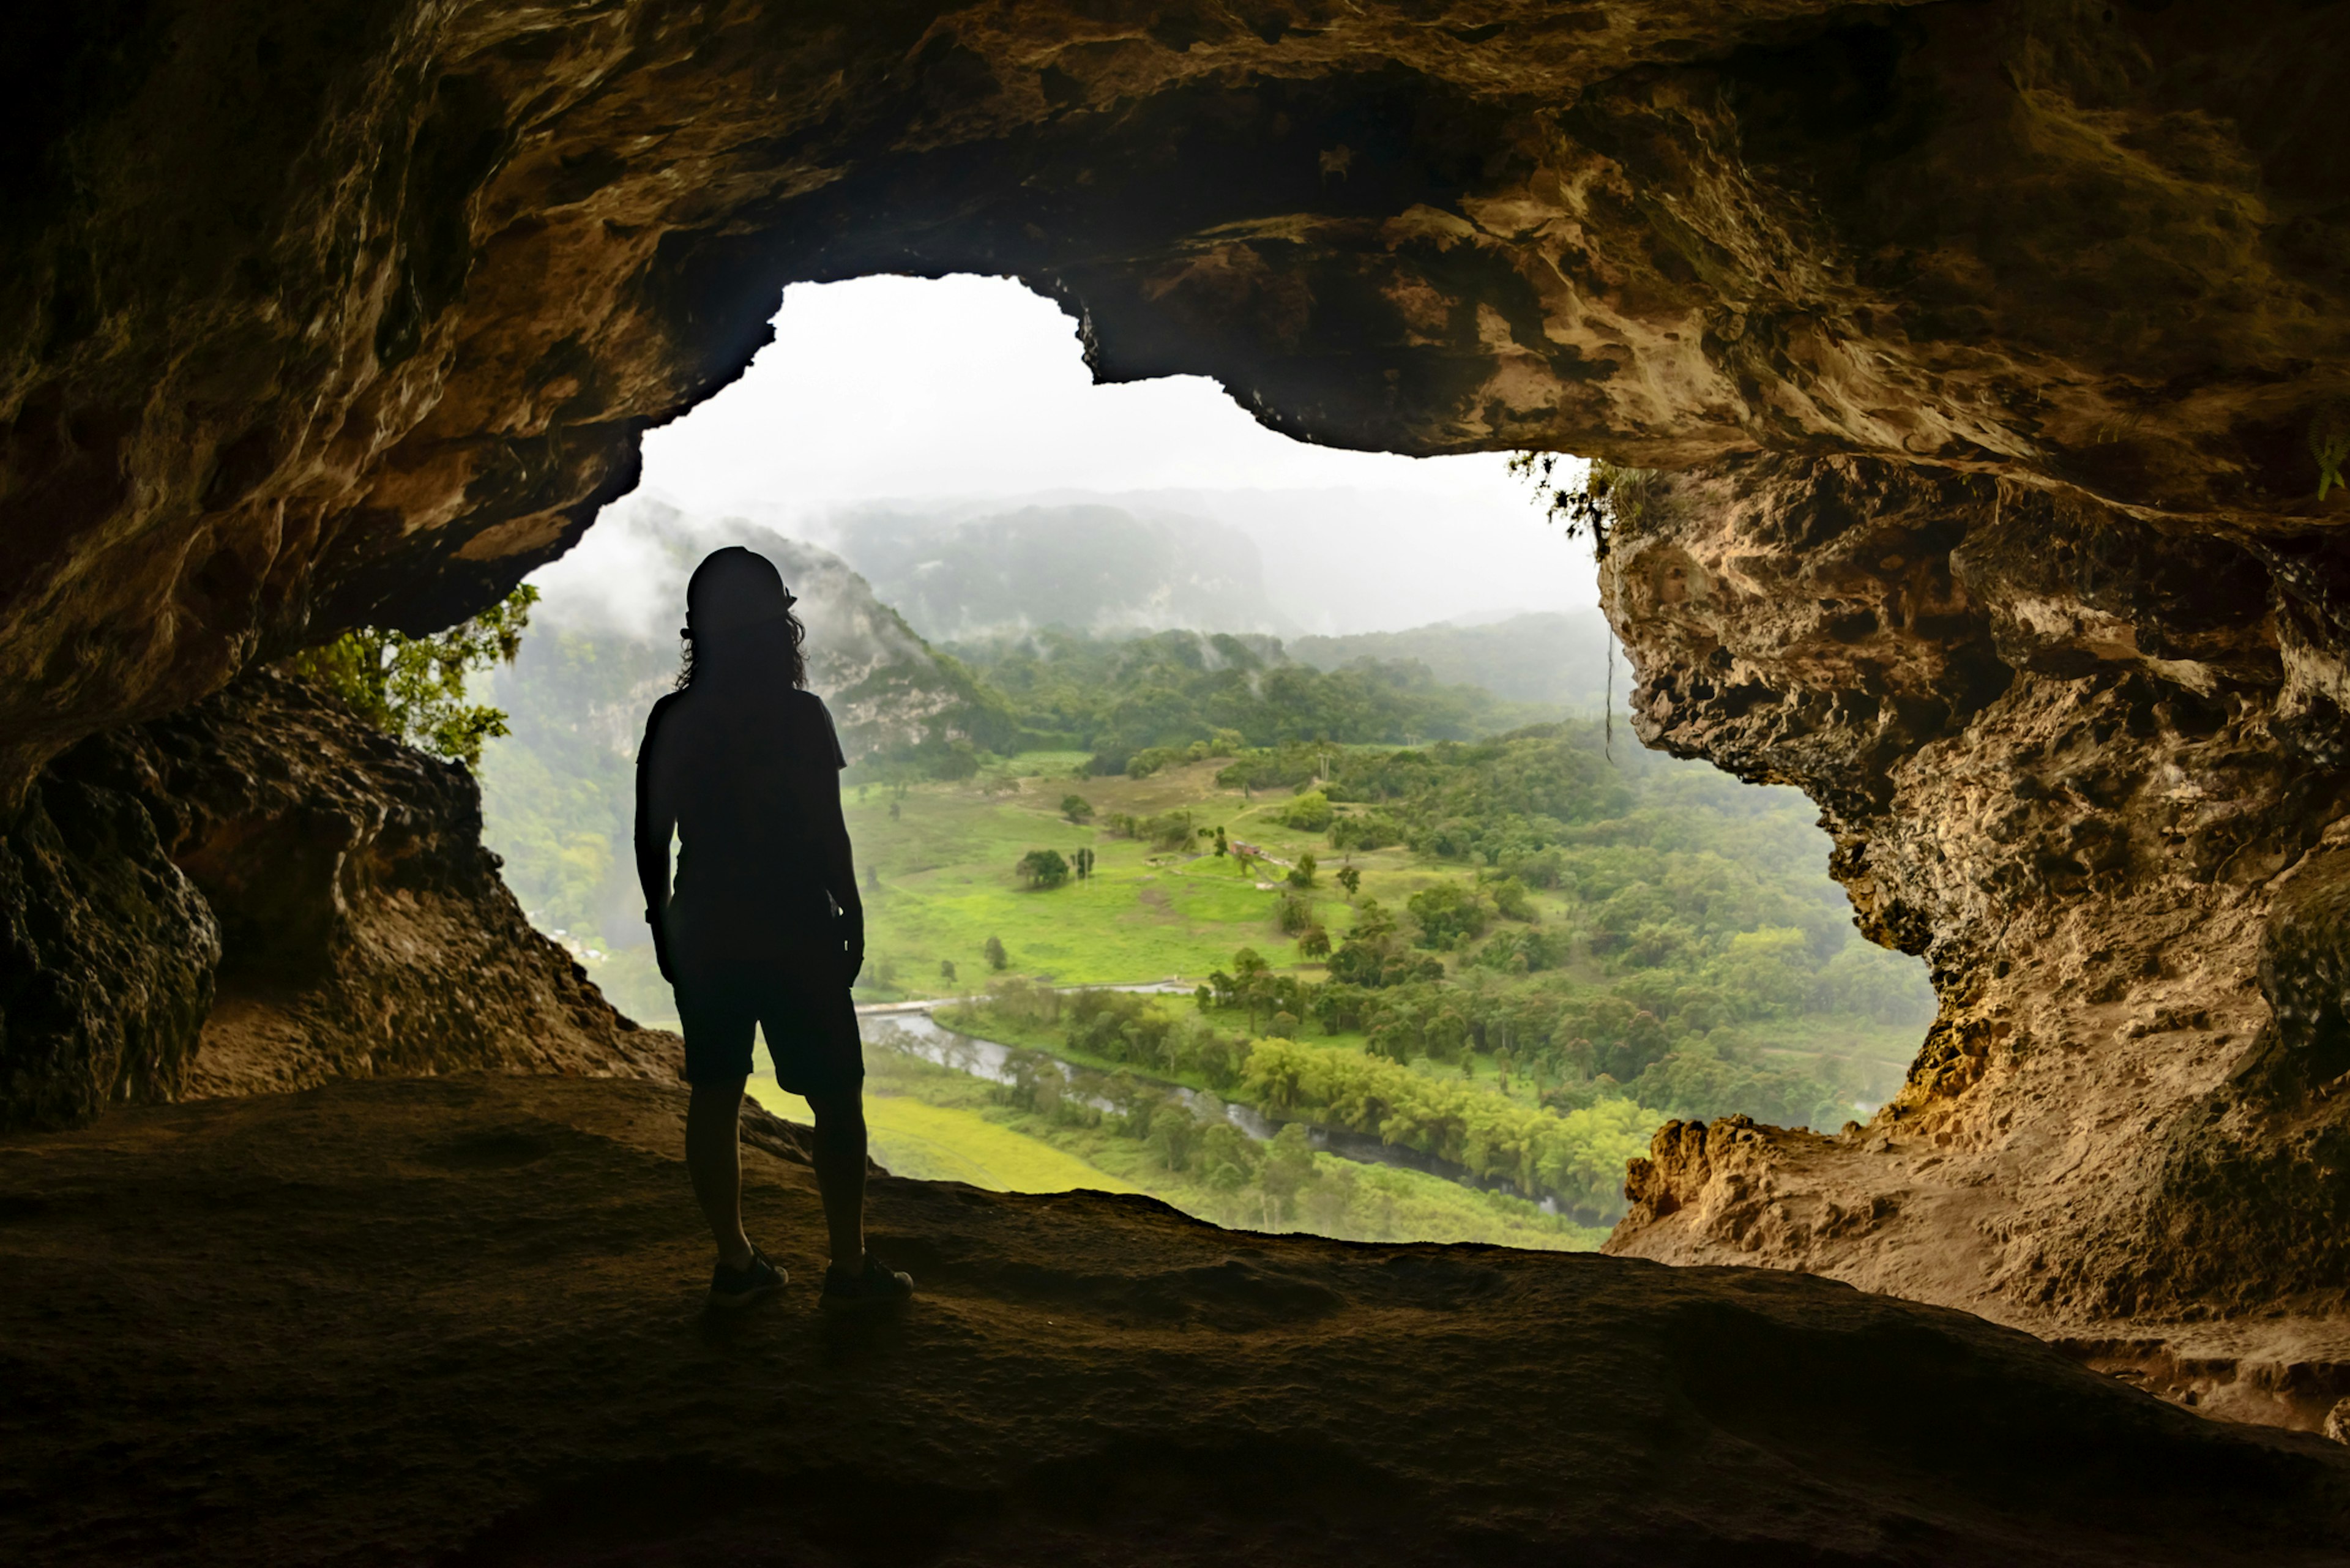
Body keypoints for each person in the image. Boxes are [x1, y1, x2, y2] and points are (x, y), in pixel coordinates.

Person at [634, 547, 914, 1312]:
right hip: (795, 926)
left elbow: (650, 838)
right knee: (837, 1099)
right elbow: (828, 830)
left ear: (700, 634)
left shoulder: (674, 720)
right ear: (778, 630)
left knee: (716, 1094)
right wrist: (850, 909)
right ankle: (850, 1270)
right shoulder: (801, 716)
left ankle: (735, 1263)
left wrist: (664, 927)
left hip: (706, 929)